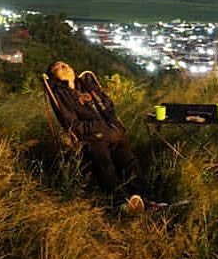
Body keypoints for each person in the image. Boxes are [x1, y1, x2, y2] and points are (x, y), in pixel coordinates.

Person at [45, 61, 157, 213]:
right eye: (57, 67)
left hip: (111, 130)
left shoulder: (86, 84)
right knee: (105, 165)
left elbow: (109, 105)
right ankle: (120, 202)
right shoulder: (61, 94)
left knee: (129, 161)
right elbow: (72, 124)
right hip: (91, 135)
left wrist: (109, 123)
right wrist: (99, 128)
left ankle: (145, 198)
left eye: (65, 64)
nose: (63, 66)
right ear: (54, 76)